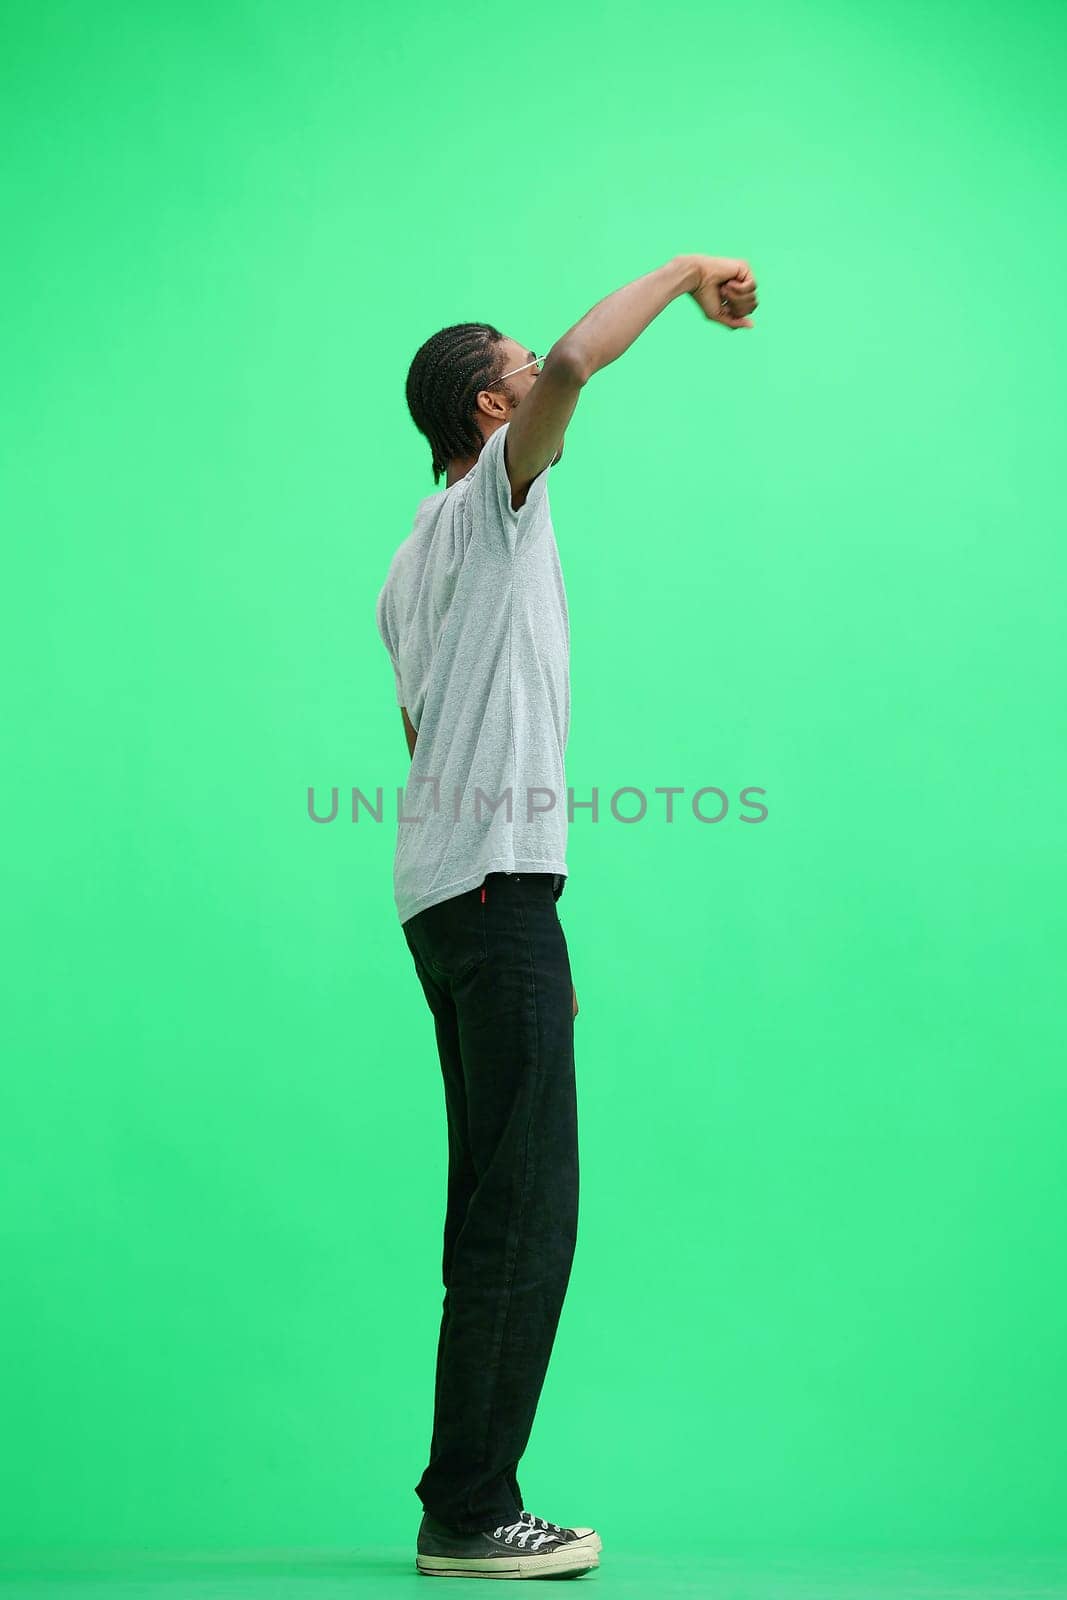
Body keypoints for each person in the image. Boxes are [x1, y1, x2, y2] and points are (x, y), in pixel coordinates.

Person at [374, 253, 758, 1580]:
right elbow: (589, 359)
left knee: (492, 1200)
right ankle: (474, 1512)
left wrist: (529, 916)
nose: (541, 375)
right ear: (489, 415)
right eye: (516, 370)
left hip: (454, 902)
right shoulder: (494, 506)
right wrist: (690, 265)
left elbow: (427, 738)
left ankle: (464, 1496)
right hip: (492, 897)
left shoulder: (405, 564)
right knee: (524, 1214)